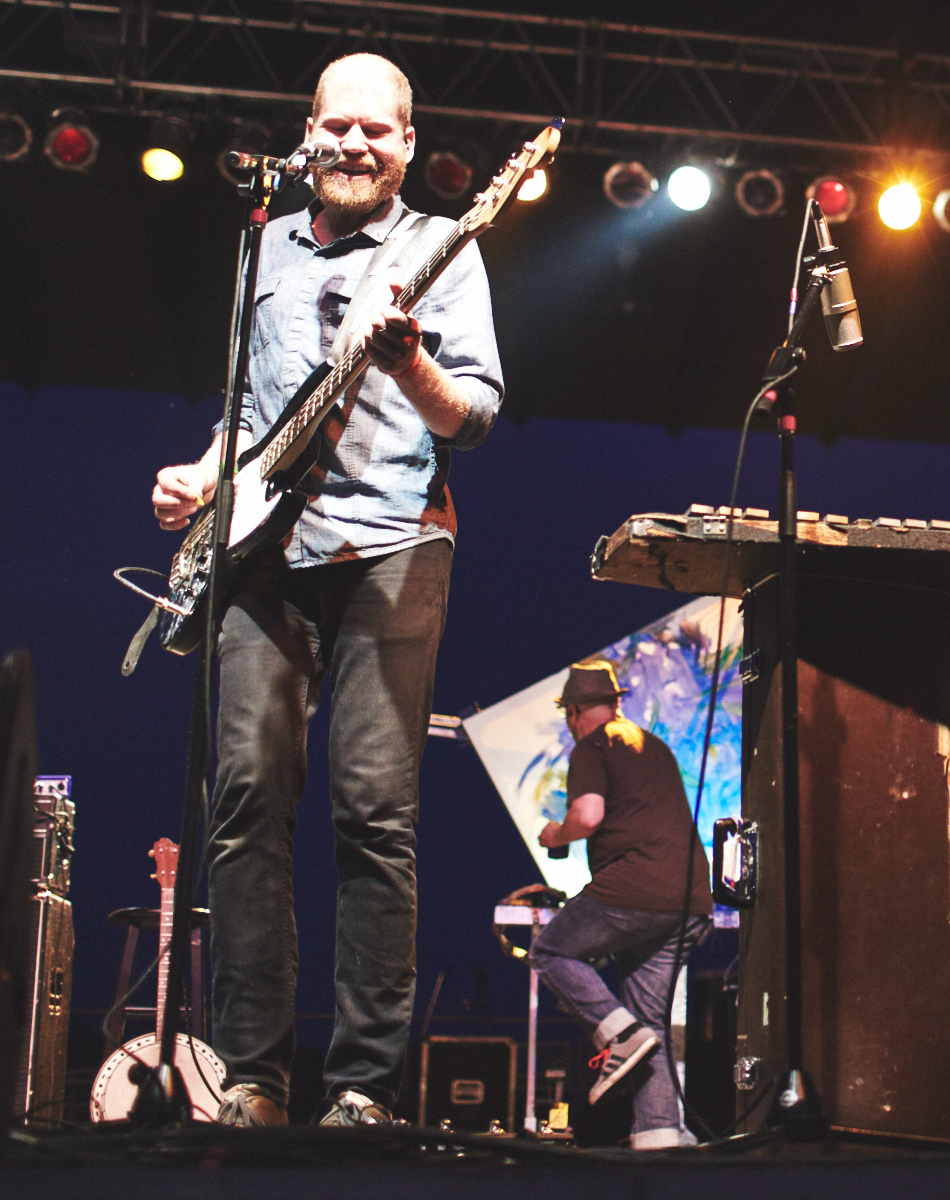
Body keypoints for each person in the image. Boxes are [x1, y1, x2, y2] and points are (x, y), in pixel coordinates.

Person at [148, 52, 503, 1126]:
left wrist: (407, 367)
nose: (354, 145)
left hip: (396, 545)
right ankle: (252, 1076)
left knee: (373, 813)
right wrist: (202, 475)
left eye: (377, 131)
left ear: (407, 141)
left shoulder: (443, 251)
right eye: (335, 127)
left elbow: (474, 415)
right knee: (244, 800)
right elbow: (248, 412)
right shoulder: (262, 248)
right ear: (307, 135)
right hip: (264, 553)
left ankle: (361, 1086)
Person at [531, 656, 713, 1150]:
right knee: (649, 1022)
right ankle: (659, 1136)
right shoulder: (651, 745)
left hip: (636, 889)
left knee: (551, 951)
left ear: (573, 712)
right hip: (691, 900)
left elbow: (588, 816)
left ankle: (616, 1034)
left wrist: (556, 832)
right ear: (614, 703)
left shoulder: (593, 744)